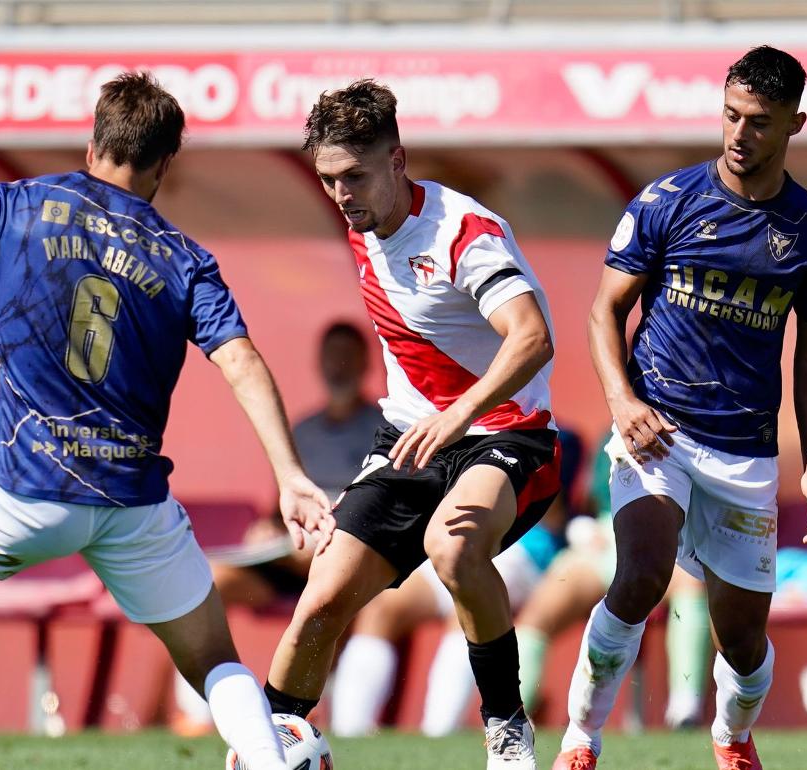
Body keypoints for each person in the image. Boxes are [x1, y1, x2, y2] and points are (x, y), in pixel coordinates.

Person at [0, 72, 332, 770]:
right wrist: (289, 475)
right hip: (135, 506)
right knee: (212, 658)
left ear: (92, 143)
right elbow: (243, 361)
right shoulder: (185, 258)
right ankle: (269, 760)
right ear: (166, 162)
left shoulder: (17, 203)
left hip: (24, 492)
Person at [552, 46, 807, 770]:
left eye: (759, 122)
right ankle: (581, 739)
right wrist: (622, 402)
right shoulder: (666, 202)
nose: (739, 135)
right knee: (643, 573)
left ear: (795, 124)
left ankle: (731, 734)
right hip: (658, 430)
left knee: (742, 639)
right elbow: (603, 313)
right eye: (731, 115)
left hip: (745, 450)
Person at [262, 79, 560, 769]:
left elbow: (531, 337)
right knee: (322, 600)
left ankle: (507, 727)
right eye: (329, 179)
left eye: (354, 177)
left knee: (452, 549)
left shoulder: (465, 233)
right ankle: (266, 746)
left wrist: (458, 416)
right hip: (408, 442)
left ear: (397, 161)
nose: (341, 194)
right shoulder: (361, 222)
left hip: (507, 434)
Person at [171, 320, 381, 737]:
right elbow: (280, 503)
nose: (337, 366)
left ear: (365, 363)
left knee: (323, 551)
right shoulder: (301, 429)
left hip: (346, 552)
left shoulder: (382, 426)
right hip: (288, 556)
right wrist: (266, 528)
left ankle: (343, 719)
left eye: (347, 356)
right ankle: (196, 715)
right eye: (330, 355)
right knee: (208, 581)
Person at [329, 425, 581, 738]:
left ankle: (439, 734)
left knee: (464, 605)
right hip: (452, 540)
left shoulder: (557, 436)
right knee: (383, 607)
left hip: (525, 551)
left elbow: (554, 510)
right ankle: (350, 733)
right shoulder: (449, 418)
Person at [515, 431, 712, 728]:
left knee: (691, 584)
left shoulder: (693, 424)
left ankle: (686, 708)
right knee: (538, 612)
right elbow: (593, 502)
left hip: (673, 541)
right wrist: (581, 528)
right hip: (606, 540)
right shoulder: (612, 431)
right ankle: (513, 715)